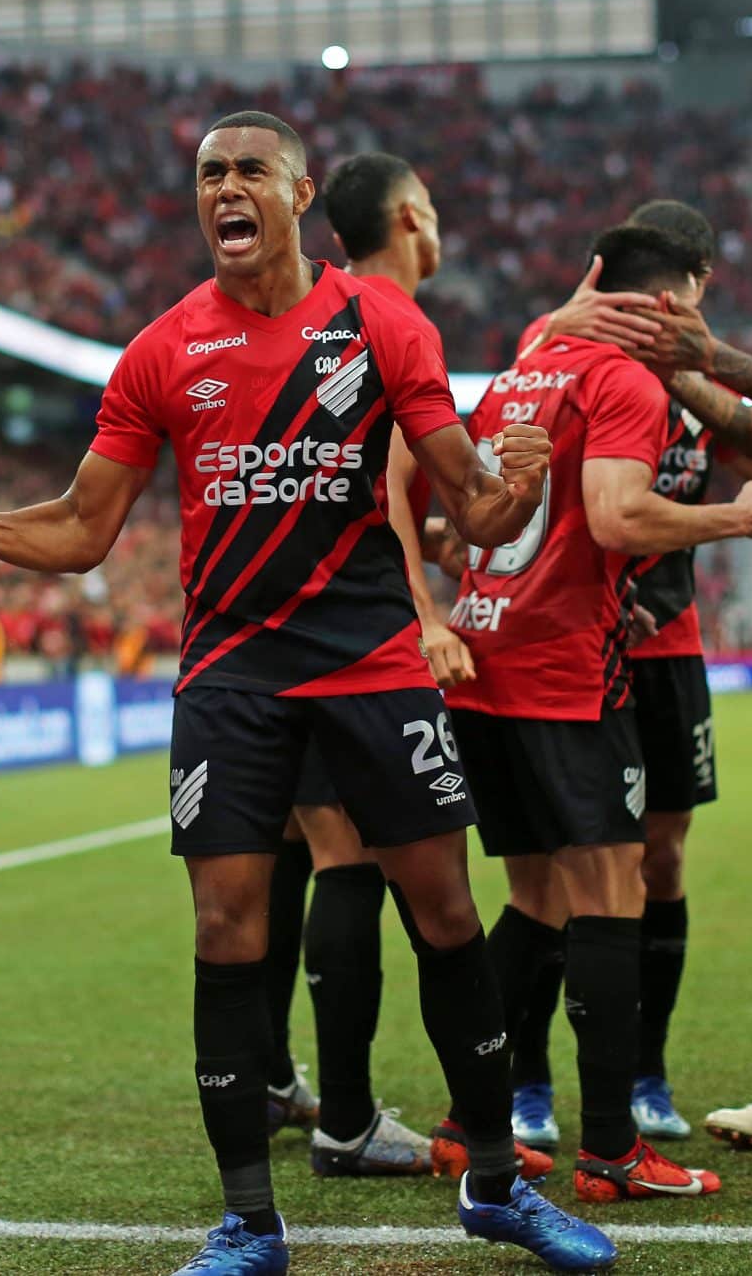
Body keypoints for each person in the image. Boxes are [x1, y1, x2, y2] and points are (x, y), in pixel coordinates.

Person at [0, 111, 615, 1276]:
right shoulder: (162, 350)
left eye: (247, 173)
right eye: (207, 175)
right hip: (233, 673)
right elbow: (84, 530)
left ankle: (493, 1186)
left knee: (442, 909)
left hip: (373, 660)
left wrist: (517, 484)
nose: (224, 190)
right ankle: (246, 1224)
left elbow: (469, 515)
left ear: (297, 193)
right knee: (226, 926)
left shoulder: (380, 321)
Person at [443, 222, 752, 1205]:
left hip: (483, 653)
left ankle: (472, 1122)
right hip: (562, 670)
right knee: (610, 891)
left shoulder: (521, 372)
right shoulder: (622, 384)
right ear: (671, 302)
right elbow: (615, 517)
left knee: (530, 902)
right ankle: (610, 1151)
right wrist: (738, 517)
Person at [496, 203, 752, 1153]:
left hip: (665, 651)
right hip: (568, 650)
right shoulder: (557, 352)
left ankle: (643, 1070)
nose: (671, 315)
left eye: (685, 301)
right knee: (556, 876)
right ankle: (527, 1081)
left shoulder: (688, 387)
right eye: (665, 297)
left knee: (659, 860)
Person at [264, 150, 496, 1180]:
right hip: (353, 639)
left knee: (314, 858)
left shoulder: (310, 312)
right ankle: (349, 1118)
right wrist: (425, 611)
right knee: (360, 865)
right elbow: (392, 493)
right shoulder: (387, 319)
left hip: (275, 629)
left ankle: (297, 1087)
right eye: (436, 206)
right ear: (409, 216)